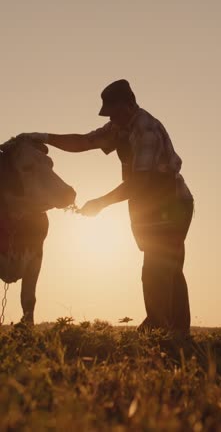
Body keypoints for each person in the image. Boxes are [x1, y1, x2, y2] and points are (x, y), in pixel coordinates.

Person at [21, 79, 194, 335]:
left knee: (157, 266)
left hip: (171, 203)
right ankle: (177, 331)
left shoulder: (146, 130)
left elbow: (139, 183)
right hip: (148, 206)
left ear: (129, 104)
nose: (111, 117)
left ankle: (157, 327)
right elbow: (83, 142)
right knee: (168, 268)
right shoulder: (119, 127)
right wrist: (40, 137)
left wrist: (100, 204)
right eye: (108, 114)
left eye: (114, 111)